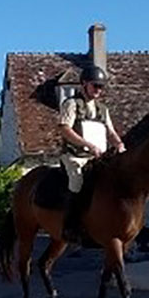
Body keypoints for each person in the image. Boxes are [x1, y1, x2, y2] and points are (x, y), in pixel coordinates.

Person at [58, 65, 126, 242]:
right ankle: (71, 225)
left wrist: (119, 144)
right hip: (75, 156)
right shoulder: (71, 104)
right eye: (95, 85)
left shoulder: (103, 109)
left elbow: (110, 132)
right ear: (84, 84)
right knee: (77, 181)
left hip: (98, 156)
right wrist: (87, 144)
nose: (98, 90)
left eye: (101, 86)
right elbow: (65, 129)